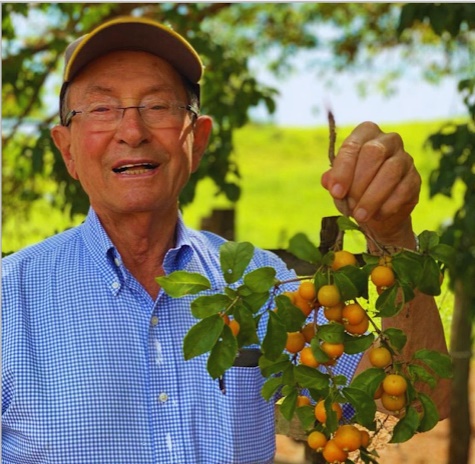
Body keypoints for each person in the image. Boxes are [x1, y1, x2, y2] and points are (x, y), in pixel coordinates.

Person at [2, 16, 450, 464]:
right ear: (67, 151)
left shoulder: (263, 284)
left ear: (197, 141)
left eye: (158, 106)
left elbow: (415, 397)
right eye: (101, 109)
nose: (132, 131)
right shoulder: (8, 299)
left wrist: (391, 235)